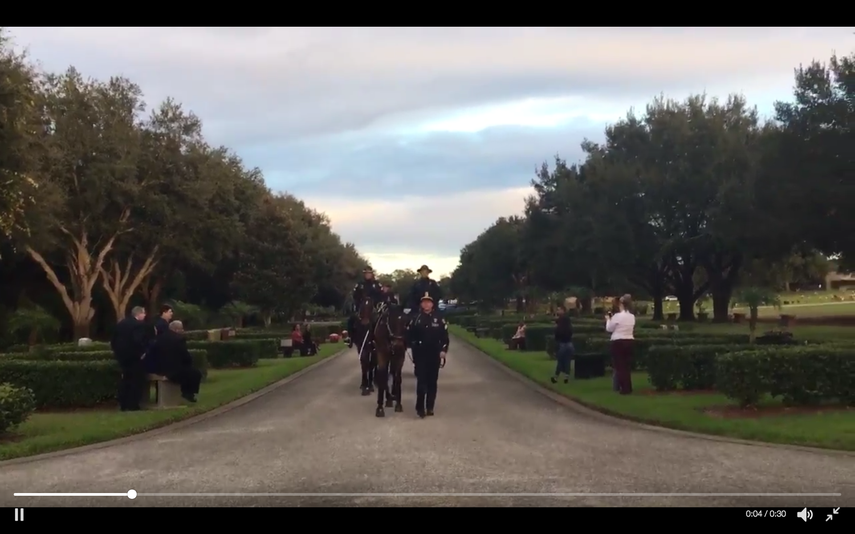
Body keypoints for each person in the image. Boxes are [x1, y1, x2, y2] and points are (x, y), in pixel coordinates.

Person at [406, 292, 449, 418]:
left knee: (432, 382)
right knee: (421, 381)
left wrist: (443, 350)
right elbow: (409, 336)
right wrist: (413, 345)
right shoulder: (415, 318)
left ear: (432, 304)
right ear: (421, 304)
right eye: (424, 302)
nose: (426, 304)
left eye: (428, 302)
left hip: (434, 354)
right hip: (420, 354)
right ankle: (420, 407)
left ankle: (430, 406)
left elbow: (445, 338)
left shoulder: (439, 319)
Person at [148, 320, 202, 402]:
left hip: (159, 369)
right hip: (174, 371)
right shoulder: (179, 339)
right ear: (176, 329)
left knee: (187, 371)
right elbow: (185, 356)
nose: (183, 331)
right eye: (181, 329)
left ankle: (186, 393)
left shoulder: (159, 338)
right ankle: (188, 393)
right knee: (195, 373)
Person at [111, 306, 149, 411]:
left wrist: (117, 353)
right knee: (136, 380)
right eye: (144, 313)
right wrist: (142, 352)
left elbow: (113, 340)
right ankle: (133, 404)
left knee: (125, 379)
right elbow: (138, 341)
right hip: (134, 357)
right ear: (138, 314)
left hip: (122, 357)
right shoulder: (138, 325)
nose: (145, 315)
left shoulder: (121, 324)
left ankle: (123, 404)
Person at [606, 294, 636, 394]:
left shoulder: (618, 316)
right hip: (629, 341)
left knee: (620, 366)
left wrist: (608, 319)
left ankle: (624, 389)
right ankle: (628, 387)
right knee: (626, 366)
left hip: (618, 341)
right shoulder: (632, 316)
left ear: (622, 304)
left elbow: (609, 328)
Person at [347, 267, 384, 348]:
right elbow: (355, 296)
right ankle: (350, 337)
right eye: (366, 273)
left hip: (374, 306)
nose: (367, 274)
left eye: (369, 273)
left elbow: (381, 296)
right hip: (362, 306)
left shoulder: (377, 284)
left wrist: (377, 303)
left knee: (383, 320)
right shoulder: (360, 284)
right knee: (351, 319)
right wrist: (358, 304)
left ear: (372, 274)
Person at [551, 306, 574, 384]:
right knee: (567, 361)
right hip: (569, 345)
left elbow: (556, 336)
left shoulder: (559, 326)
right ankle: (566, 377)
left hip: (562, 345)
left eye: (559, 309)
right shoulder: (569, 326)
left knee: (560, 362)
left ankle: (556, 377)